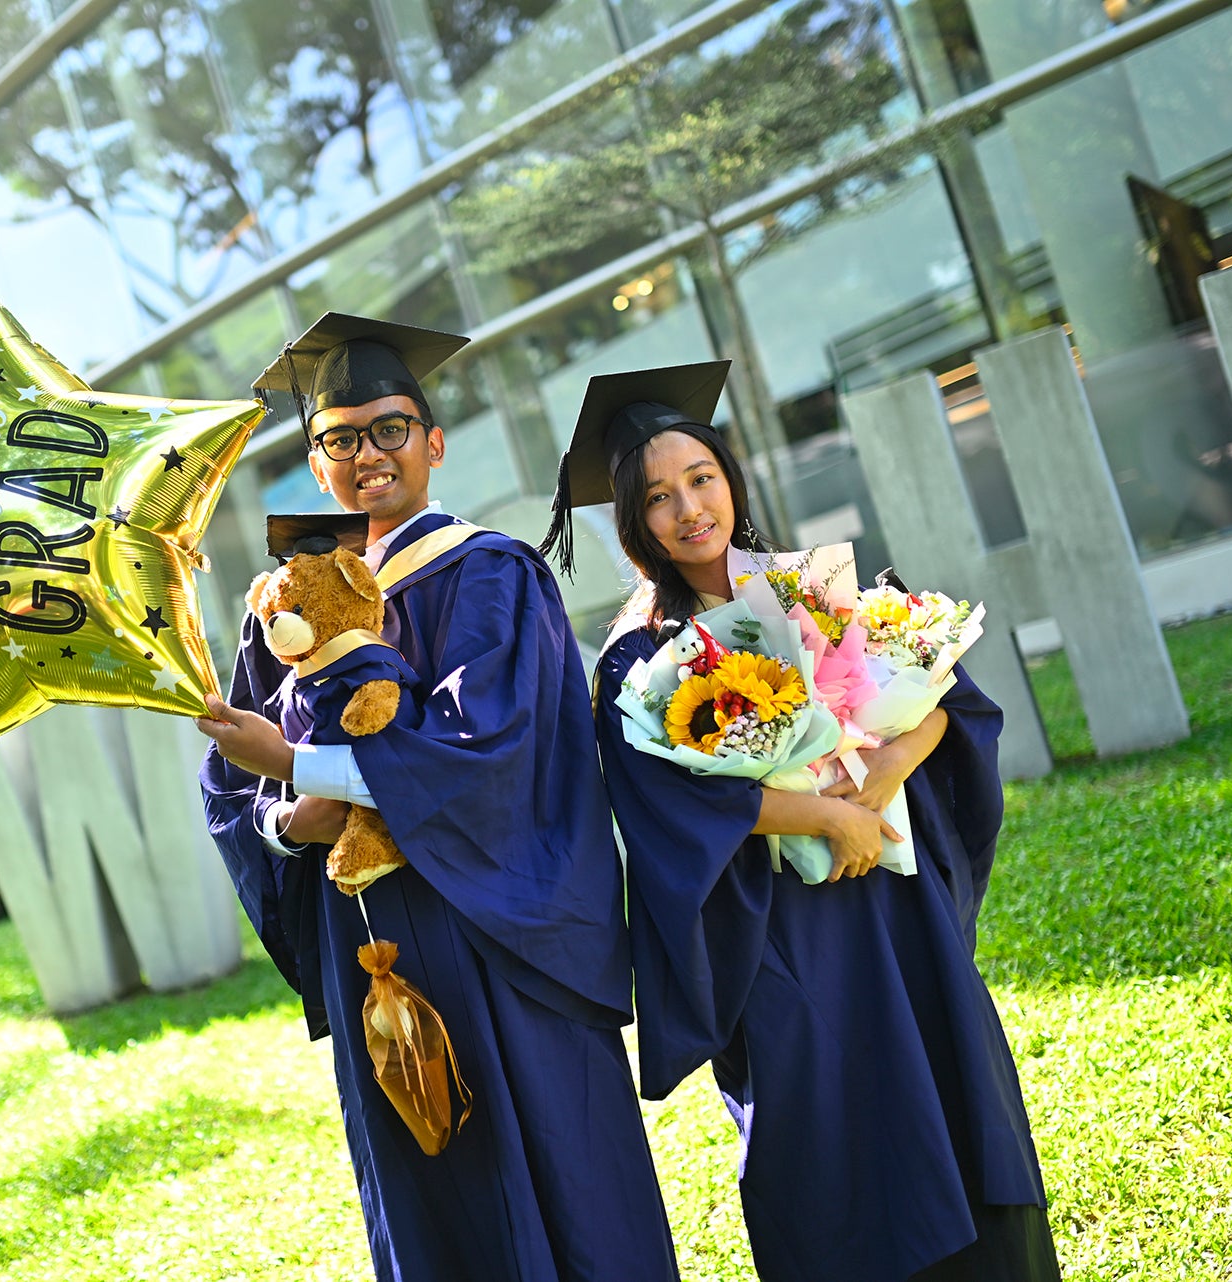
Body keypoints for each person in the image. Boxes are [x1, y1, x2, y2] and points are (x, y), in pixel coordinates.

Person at [544, 361, 1060, 1282]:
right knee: (828, 1131)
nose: (688, 509)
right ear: (633, 521)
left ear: (730, 477)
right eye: (657, 497)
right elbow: (664, 803)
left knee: (957, 1091)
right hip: (778, 931)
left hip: (893, 903)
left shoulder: (808, 586)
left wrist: (883, 775)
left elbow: (942, 695)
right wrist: (823, 817)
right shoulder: (637, 654)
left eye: (701, 478)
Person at [196, 313, 680, 1282]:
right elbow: (231, 786)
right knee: (433, 1198)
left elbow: (492, 754)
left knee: (560, 1179)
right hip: (371, 953)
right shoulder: (281, 606)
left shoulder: (491, 573)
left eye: (390, 429)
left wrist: (303, 767)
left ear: (434, 443)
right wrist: (286, 822)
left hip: (497, 936)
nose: (368, 455)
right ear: (316, 464)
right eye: (341, 439)